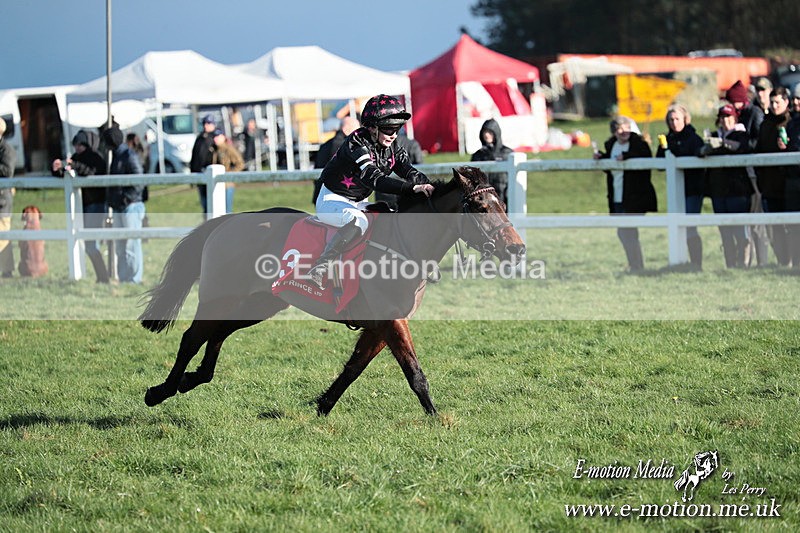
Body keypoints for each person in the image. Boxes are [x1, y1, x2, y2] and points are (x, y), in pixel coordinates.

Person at [309, 94, 434, 287]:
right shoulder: (357, 142)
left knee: (390, 215)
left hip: (357, 201)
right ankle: (321, 266)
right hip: (331, 200)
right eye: (388, 129)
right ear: (372, 127)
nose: (393, 134)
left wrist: (429, 186)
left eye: (397, 128)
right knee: (358, 221)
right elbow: (375, 179)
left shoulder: (393, 145)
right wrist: (412, 188)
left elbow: (408, 170)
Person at [595, 116, 657, 272]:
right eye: (620, 128)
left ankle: (637, 266)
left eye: (626, 127)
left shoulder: (639, 143)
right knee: (623, 232)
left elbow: (645, 157)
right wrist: (601, 158)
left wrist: (627, 157)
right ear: (614, 132)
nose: (624, 131)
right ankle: (635, 265)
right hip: (616, 195)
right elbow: (611, 167)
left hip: (634, 196)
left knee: (628, 231)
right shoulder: (611, 145)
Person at [700, 104, 753, 268]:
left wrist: (723, 143)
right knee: (724, 230)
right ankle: (730, 264)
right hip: (718, 189)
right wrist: (709, 146)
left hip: (738, 190)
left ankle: (743, 263)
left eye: (729, 117)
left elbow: (743, 148)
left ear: (735, 118)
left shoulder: (741, 135)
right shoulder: (715, 136)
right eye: (722, 117)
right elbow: (700, 152)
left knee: (740, 228)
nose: (725, 120)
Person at [52, 130, 109, 282]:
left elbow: (90, 172)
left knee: (90, 244)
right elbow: (70, 171)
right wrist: (58, 168)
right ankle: (102, 277)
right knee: (88, 243)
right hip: (85, 206)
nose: (77, 148)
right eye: (76, 145)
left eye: (80, 145)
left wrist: (73, 165)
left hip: (95, 205)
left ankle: (103, 277)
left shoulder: (96, 158)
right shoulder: (77, 158)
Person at [655, 104, 706, 269]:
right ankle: (680, 262)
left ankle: (696, 264)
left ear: (685, 119)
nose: (673, 123)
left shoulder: (694, 138)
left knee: (690, 227)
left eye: (677, 119)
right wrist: (664, 149)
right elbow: (660, 165)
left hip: (692, 190)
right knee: (677, 227)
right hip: (675, 192)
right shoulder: (667, 139)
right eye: (670, 120)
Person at [103, 125, 145, 284]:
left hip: (130, 205)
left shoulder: (128, 155)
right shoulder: (117, 155)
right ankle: (124, 278)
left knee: (131, 244)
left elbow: (139, 181)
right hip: (121, 206)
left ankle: (134, 278)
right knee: (122, 245)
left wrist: (126, 198)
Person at [755, 87, 793, 266]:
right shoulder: (766, 124)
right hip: (769, 184)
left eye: (778, 102)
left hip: (788, 182)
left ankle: (794, 261)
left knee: (792, 226)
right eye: (772, 102)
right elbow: (759, 151)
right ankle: (782, 261)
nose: (775, 105)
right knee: (773, 228)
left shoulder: (792, 122)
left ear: (787, 102)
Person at [312, 115, 360, 204]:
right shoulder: (344, 146)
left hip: (323, 193)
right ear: (346, 129)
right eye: (357, 129)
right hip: (336, 196)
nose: (360, 133)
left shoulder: (326, 145)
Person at [375, 127, 424, 211]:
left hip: (384, 190)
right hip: (407, 191)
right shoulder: (412, 144)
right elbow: (420, 165)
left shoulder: (378, 143)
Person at [470, 118, 513, 210]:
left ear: (496, 133)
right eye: (484, 132)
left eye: (490, 132)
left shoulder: (507, 153)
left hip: (504, 199)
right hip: (484, 201)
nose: (486, 135)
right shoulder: (477, 155)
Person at [211, 130, 245, 213]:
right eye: (214, 137)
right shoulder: (214, 149)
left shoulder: (229, 149)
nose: (215, 139)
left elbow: (240, 164)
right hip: (217, 184)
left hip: (227, 184)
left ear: (223, 137)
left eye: (218, 137)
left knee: (227, 210)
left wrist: (229, 175)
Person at [726, 80, 764, 150]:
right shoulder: (738, 113)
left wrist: (741, 145)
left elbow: (761, 138)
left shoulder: (755, 113)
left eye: (732, 102)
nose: (730, 105)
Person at [190, 114, 217, 214]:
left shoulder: (217, 137)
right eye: (205, 123)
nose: (206, 125)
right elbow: (194, 157)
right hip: (200, 175)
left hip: (212, 175)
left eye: (209, 123)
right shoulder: (200, 138)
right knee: (205, 205)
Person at [0, 118, 16, 278]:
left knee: (3, 234)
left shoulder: (7, 150)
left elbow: (7, 171)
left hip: (2, 200)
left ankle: (7, 269)